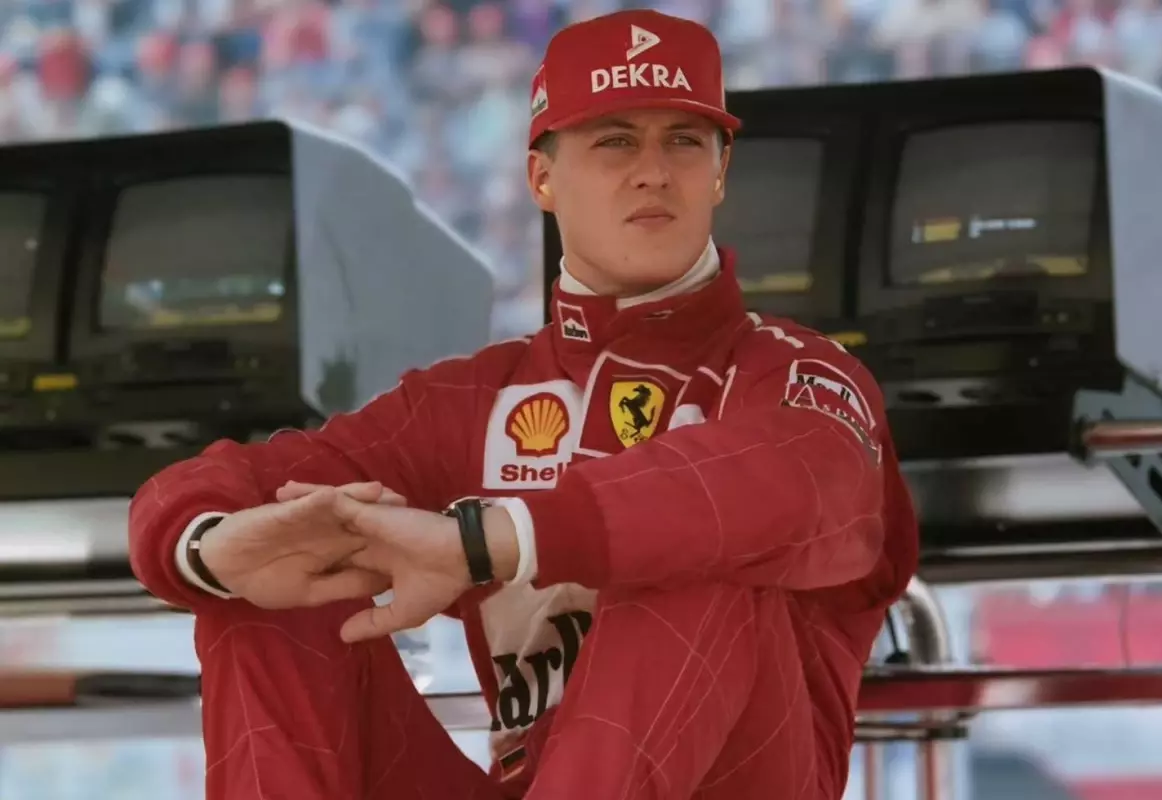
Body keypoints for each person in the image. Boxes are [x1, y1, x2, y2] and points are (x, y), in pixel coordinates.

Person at [128, 9, 918, 799]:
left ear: (719, 172)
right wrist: (202, 549)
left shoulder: (801, 373)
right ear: (541, 179)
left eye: (684, 140)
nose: (654, 171)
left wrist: (488, 543)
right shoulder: (471, 399)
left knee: (697, 547)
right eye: (615, 141)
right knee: (264, 571)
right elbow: (224, 482)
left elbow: (801, 482)